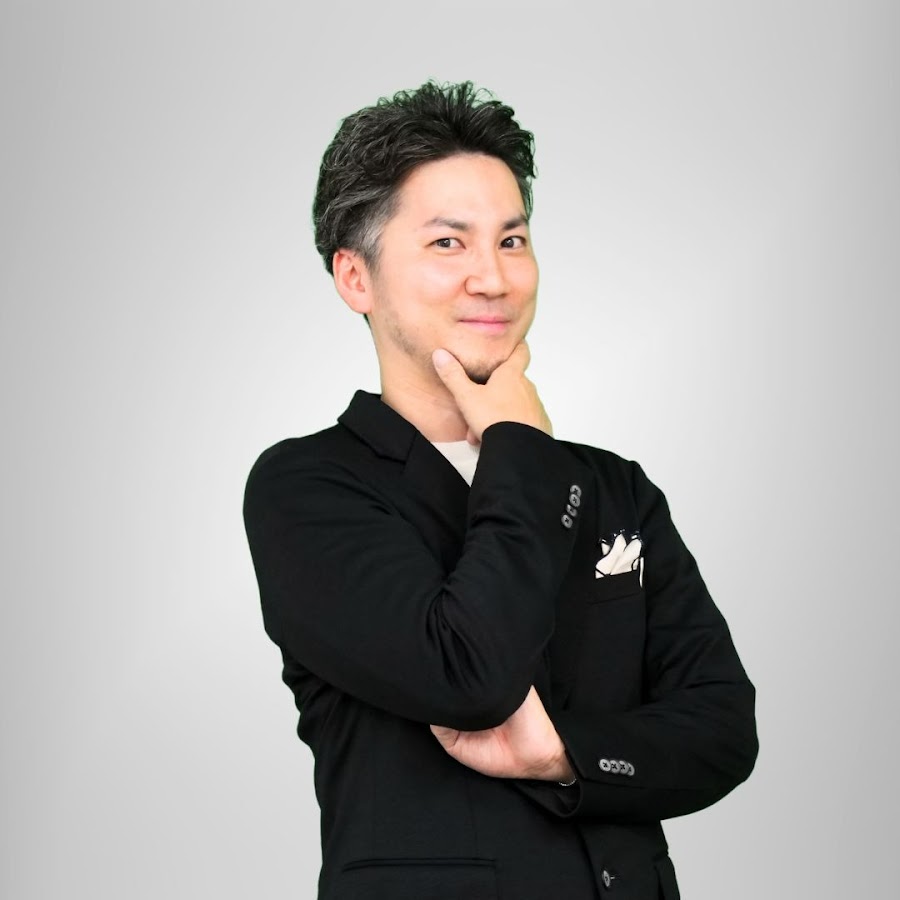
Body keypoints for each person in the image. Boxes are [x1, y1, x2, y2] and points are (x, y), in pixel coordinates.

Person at [243, 80, 757, 900]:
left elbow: (723, 728)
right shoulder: (307, 489)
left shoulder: (614, 487)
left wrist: (563, 755)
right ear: (355, 277)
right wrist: (519, 444)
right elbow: (469, 676)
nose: (493, 277)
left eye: (512, 240)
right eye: (449, 243)